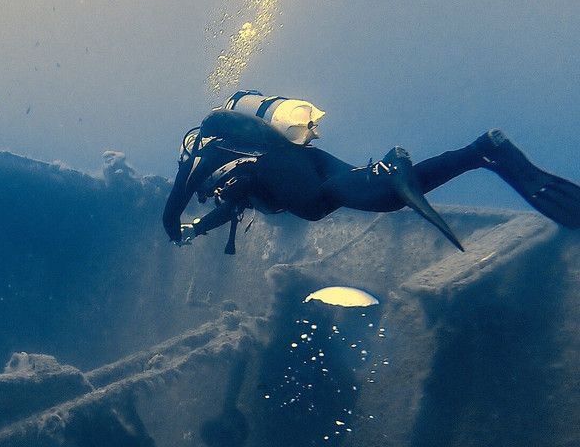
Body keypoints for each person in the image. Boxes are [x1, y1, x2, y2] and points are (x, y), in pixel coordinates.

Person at [163, 91, 580, 255]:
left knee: (320, 201)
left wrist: (182, 225)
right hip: (309, 163)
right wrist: (199, 228)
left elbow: (182, 214)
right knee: (384, 193)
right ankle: (480, 151)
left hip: (287, 168)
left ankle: (391, 164)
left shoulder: (214, 160)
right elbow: (230, 208)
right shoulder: (245, 158)